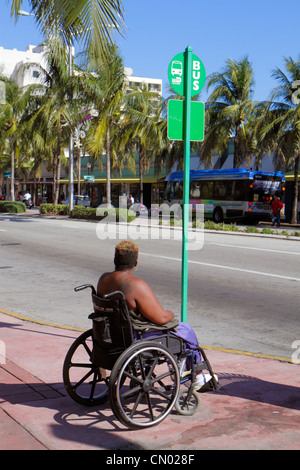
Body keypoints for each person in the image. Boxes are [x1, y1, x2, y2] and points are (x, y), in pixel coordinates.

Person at [97, 240, 218, 391]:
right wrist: (170, 313)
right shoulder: (135, 284)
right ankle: (197, 377)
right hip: (135, 337)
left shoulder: (103, 279)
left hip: (111, 335)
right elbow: (160, 318)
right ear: (136, 262)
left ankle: (184, 368)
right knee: (185, 329)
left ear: (115, 260)